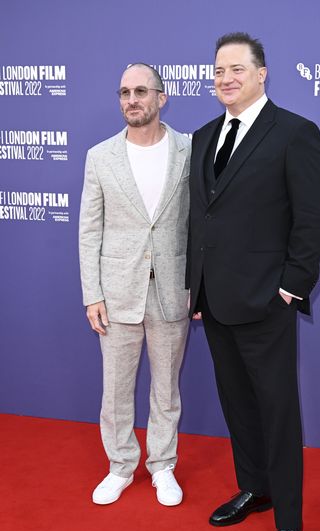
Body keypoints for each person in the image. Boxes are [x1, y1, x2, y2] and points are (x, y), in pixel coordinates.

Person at [187, 33, 320, 531]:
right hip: (216, 302)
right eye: (218, 71)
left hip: (267, 303)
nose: (225, 79)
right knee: (238, 406)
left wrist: (290, 288)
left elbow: (314, 218)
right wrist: (195, 285)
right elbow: (201, 219)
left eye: (236, 69)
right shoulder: (204, 136)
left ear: (262, 73)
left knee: (277, 413)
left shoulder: (294, 132)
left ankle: (289, 522)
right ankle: (255, 489)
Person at [79, 63, 190, 507]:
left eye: (141, 91)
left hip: (172, 290)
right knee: (116, 388)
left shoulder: (188, 149)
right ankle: (120, 466)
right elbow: (90, 229)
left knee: (166, 388)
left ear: (161, 98)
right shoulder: (99, 156)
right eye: (125, 92)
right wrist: (93, 293)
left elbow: (201, 224)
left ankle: (163, 465)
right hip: (117, 291)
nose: (132, 100)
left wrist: (197, 287)